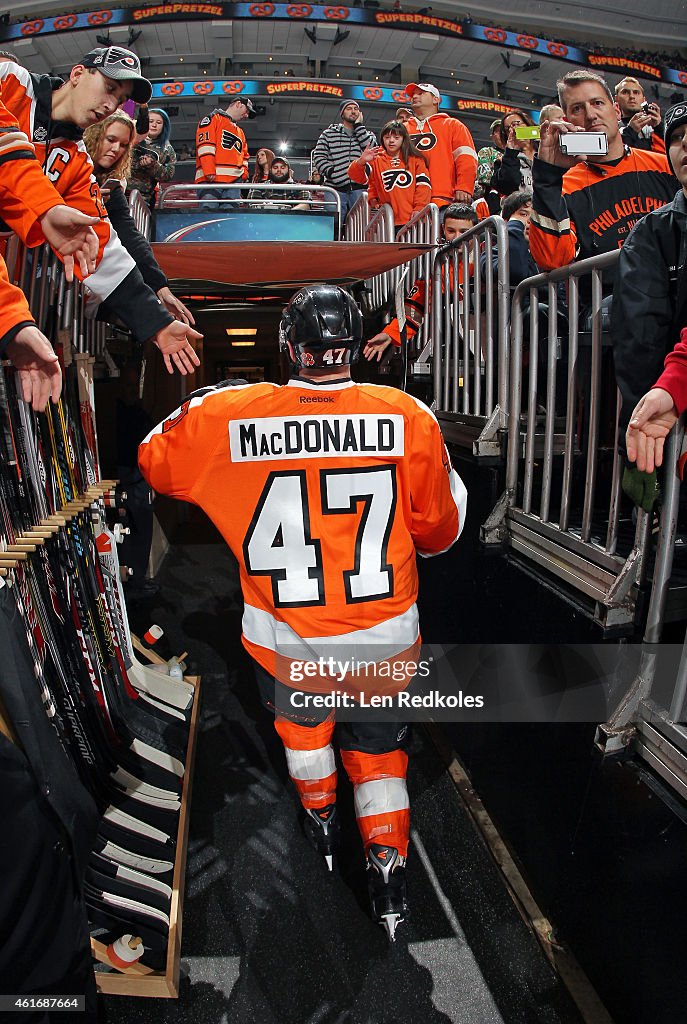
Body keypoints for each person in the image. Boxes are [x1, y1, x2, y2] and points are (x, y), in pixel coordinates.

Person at [139, 285, 467, 940]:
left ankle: (320, 826)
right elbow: (441, 533)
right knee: (377, 756)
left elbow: (155, 459)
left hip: (286, 637)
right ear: (353, 345)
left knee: (304, 736)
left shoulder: (229, 416)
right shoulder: (408, 415)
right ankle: (388, 876)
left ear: (289, 346)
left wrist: (204, 399)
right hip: (384, 638)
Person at [0, 47, 201, 376]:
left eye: (121, 100)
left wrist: (157, 323)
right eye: (109, 88)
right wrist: (45, 205)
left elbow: (103, 250)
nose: (111, 105)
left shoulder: (79, 164)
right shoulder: (12, 80)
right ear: (77, 75)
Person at [530, 69, 676, 278]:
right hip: (605, 303)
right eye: (578, 109)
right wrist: (547, 177)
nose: (590, 115)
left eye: (597, 103)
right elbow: (552, 260)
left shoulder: (664, 166)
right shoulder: (563, 185)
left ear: (616, 110)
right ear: (567, 120)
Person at [612, 102, 687, 477]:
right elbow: (639, 336)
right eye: (676, 137)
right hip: (666, 411)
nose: (686, 144)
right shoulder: (652, 231)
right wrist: (658, 397)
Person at [82, 111, 194, 325]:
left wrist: (160, 286)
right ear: (95, 136)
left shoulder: (112, 185)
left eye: (124, 145)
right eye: (111, 140)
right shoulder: (72, 164)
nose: (116, 149)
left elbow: (130, 236)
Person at [364, 203, 478, 360]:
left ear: (476, 231)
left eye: (464, 232)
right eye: (451, 231)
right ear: (443, 229)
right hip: (454, 349)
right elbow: (415, 308)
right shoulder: (436, 266)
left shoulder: (488, 259)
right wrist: (390, 333)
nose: (457, 237)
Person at [404, 82, 477, 207]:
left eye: (421, 93)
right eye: (413, 95)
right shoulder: (402, 129)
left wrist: (464, 186)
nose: (415, 97)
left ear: (436, 99)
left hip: (443, 198)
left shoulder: (453, 125)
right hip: (405, 201)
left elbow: (466, 158)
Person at [347, 119, 431, 228]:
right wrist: (361, 162)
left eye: (396, 138)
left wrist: (419, 208)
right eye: (387, 137)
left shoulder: (415, 159)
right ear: (382, 139)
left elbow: (423, 186)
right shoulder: (376, 159)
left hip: (413, 219)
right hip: (387, 221)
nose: (391, 141)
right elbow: (357, 177)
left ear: (403, 139)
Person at [312, 100, 377, 228]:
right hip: (334, 188)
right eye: (349, 108)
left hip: (360, 189)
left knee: (360, 228)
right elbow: (319, 156)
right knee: (332, 227)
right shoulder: (328, 134)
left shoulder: (368, 135)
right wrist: (331, 172)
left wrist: (359, 127)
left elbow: (372, 152)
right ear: (342, 113)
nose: (353, 111)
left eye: (356, 109)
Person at [195, 95, 256, 187]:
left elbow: (245, 155)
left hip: (234, 183)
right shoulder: (213, 118)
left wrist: (244, 174)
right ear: (238, 104)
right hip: (210, 181)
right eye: (246, 111)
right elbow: (205, 145)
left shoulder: (240, 132)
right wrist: (209, 170)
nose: (247, 115)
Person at [128, 107, 176, 208]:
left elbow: (168, 175)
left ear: (164, 126)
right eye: (150, 121)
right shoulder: (130, 137)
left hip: (145, 199)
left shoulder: (167, 149)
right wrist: (137, 164)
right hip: (121, 191)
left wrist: (153, 165)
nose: (154, 125)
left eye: (158, 122)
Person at [491, 108, 537, 196]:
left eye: (516, 124)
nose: (514, 129)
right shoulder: (503, 162)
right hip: (523, 207)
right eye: (508, 128)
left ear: (528, 125)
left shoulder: (545, 154)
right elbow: (508, 187)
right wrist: (511, 153)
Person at [614, 76, 665, 154]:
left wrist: (659, 128)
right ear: (616, 99)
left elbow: (667, 157)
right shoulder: (611, 128)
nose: (631, 96)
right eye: (625, 92)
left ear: (644, 100)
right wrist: (630, 131)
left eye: (636, 92)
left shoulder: (654, 128)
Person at [476, 117, 504, 213]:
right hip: (493, 200)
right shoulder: (487, 152)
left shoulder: (520, 154)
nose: (501, 133)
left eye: (504, 131)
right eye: (497, 131)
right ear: (492, 136)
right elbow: (485, 179)